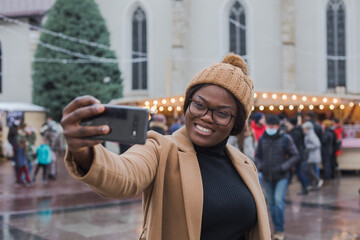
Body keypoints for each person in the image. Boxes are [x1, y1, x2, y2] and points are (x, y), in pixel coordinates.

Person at [61, 53, 271, 239]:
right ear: (187, 104)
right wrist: (84, 152)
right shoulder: (159, 148)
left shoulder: (245, 164)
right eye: (199, 105)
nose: (206, 117)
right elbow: (123, 176)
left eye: (222, 113)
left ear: (236, 123)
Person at [255, 115, 299, 240]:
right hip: (267, 176)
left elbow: (295, 155)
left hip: (281, 176)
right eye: (268, 126)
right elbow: (257, 155)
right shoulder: (263, 139)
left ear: (278, 126)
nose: (270, 128)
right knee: (272, 204)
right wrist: (260, 165)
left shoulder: (286, 138)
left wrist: (284, 167)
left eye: (272, 126)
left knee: (279, 202)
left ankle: (280, 230)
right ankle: (275, 229)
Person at [284, 117, 309, 195]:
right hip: (299, 155)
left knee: (299, 173)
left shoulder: (294, 133)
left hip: (298, 156)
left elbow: (292, 145)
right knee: (293, 172)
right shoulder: (297, 131)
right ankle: (286, 187)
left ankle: (305, 188)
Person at [302, 121, 323, 190]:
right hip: (311, 155)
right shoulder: (309, 134)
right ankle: (313, 183)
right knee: (310, 169)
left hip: (313, 155)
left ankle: (317, 180)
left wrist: (308, 146)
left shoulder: (311, 135)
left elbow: (317, 144)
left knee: (309, 169)